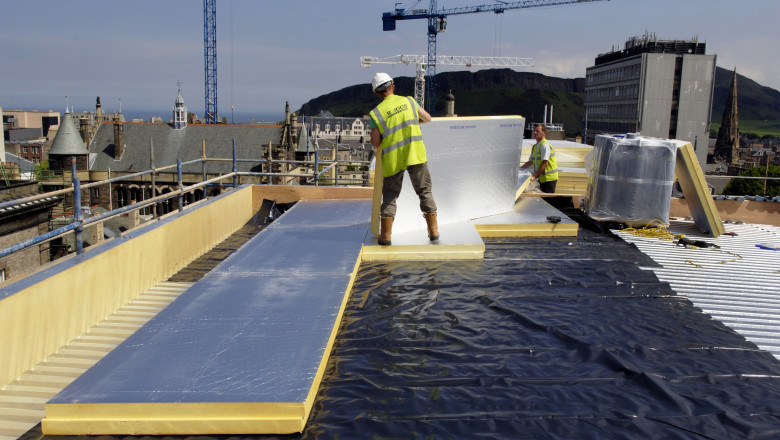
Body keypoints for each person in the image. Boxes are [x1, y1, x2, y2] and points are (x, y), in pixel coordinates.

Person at [369, 72, 439, 246]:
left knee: (390, 196)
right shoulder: (409, 101)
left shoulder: (376, 113)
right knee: (424, 192)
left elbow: (375, 143)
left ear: (377, 93)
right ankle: (434, 232)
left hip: (394, 159)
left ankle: (385, 236)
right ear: (393, 85)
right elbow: (428, 118)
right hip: (415, 154)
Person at [521, 124, 559, 193]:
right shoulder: (535, 146)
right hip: (541, 178)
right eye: (534, 131)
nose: (535, 133)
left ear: (544, 133)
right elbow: (530, 162)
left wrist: (535, 177)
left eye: (537, 131)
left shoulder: (544, 145)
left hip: (549, 178)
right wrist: (519, 170)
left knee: (547, 200)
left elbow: (545, 163)